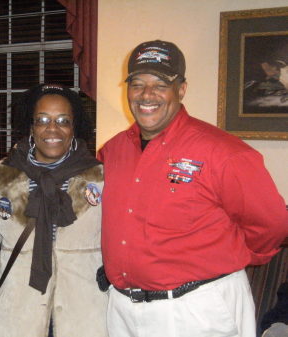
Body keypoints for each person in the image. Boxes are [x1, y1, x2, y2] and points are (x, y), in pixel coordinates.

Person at [98, 40, 288, 337]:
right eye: (137, 84)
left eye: (161, 83)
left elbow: (273, 225)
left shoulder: (224, 153)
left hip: (197, 309)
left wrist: (227, 255)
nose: (147, 94)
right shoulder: (112, 151)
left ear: (182, 89)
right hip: (122, 309)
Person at [0, 84, 108, 337]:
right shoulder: (0, 177)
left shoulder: (102, 178)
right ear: (31, 126)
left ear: (74, 127)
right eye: (42, 120)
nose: (53, 128)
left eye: (63, 120)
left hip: (84, 316)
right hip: (18, 315)